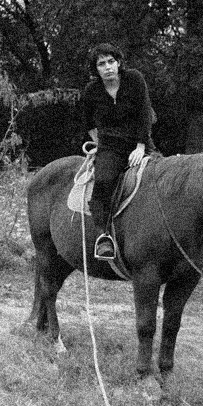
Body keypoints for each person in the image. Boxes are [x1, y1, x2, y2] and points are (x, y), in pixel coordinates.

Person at [76, 43, 152, 260]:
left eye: (111, 61)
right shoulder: (92, 91)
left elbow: (145, 113)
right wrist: (100, 145)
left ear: (119, 63)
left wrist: (141, 146)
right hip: (110, 148)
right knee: (103, 181)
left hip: (139, 144)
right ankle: (103, 236)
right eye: (101, 64)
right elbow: (88, 123)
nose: (108, 67)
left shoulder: (134, 79)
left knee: (163, 177)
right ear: (96, 69)